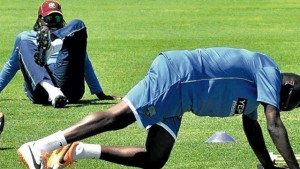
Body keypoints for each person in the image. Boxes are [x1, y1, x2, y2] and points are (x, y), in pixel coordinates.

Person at [18, 47, 300, 169]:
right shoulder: (268, 69)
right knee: (121, 117)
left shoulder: (255, 96)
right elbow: (273, 124)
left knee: (155, 159)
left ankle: (76, 151)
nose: (283, 110)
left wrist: (267, 164)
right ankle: (41, 146)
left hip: (182, 100)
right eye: (288, 105)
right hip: (179, 75)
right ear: (287, 90)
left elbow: (252, 127)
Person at [0, 0, 120, 108]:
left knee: (78, 24)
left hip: (69, 88)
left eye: (57, 18)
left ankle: (51, 47)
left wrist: (99, 93)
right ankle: (53, 92)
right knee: (23, 42)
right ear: (40, 20)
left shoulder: (68, 36)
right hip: (40, 90)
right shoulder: (26, 37)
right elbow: (10, 66)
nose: (53, 23)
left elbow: (84, 63)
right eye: (49, 19)